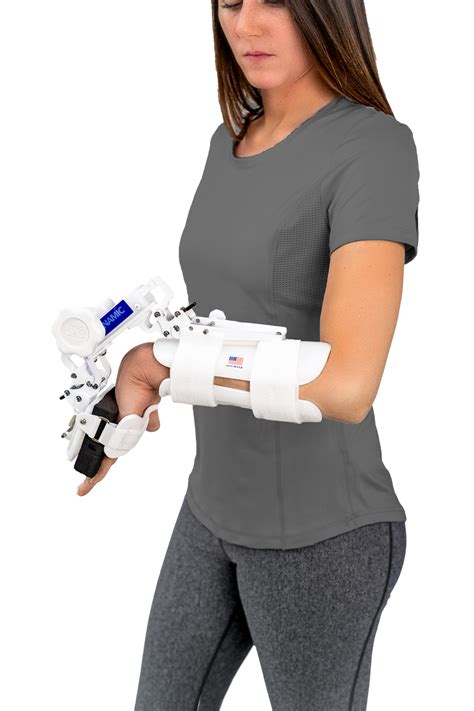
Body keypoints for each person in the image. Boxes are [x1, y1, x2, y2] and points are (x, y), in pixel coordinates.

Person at [76, 1, 420, 708]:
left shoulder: (375, 148)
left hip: (322, 534)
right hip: (211, 509)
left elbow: (348, 384)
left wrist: (159, 364)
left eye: (276, 2)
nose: (246, 26)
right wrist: (135, 376)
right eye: (231, 1)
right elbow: (227, 312)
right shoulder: (229, 139)